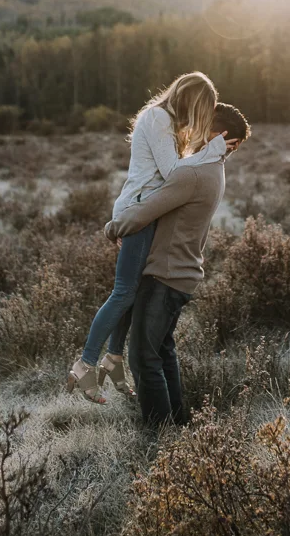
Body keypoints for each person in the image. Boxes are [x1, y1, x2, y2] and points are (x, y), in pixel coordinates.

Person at [67, 72, 238, 403]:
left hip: (145, 211)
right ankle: (85, 363)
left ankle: (113, 358)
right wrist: (213, 149)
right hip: (138, 211)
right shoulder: (158, 117)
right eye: (203, 110)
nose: (202, 119)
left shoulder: (168, 123)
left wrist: (211, 152)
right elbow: (175, 174)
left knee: (132, 292)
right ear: (191, 101)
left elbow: (177, 172)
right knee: (124, 292)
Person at [104, 102, 251, 426]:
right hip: (179, 275)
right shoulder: (211, 170)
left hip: (164, 276)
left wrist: (112, 228)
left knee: (143, 358)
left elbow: (144, 212)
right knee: (161, 351)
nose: (193, 128)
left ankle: (159, 434)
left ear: (218, 134)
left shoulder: (192, 174)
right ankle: (177, 426)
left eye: (202, 123)